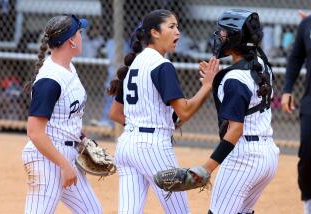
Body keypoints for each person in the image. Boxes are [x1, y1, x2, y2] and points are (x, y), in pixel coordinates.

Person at [156, 9, 279, 213]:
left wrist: (207, 168)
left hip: (243, 157)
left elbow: (236, 129)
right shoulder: (262, 65)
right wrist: (214, 82)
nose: (219, 36)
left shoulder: (234, 79)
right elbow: (245, 97)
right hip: (267, 157)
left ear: (235, 38)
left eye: (223, 32)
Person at [108, 9, 219, 213]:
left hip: (126, 145)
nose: (177, 32)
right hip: (153, 147)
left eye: (177, 26)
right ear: (154, 33)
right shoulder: (162, 65)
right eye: (171, 26)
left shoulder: (135, 64)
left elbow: (115, 113)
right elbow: (184, 112)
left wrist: (144, 125)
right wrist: (207, 86)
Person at [21, 14, 103, 214]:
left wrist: (81, 138)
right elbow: (35, 132)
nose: (82, 37)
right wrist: (64, 165)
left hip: (65, 153)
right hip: (47, 157)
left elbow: (65, 115)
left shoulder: (68, 68)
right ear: (71, 41)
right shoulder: (50, 80)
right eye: (79, 33)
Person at [281, 12, 311, 214]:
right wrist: (287, 89)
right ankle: (309, 203)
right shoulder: (307, 25)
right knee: (308, 155)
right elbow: (295, 57)